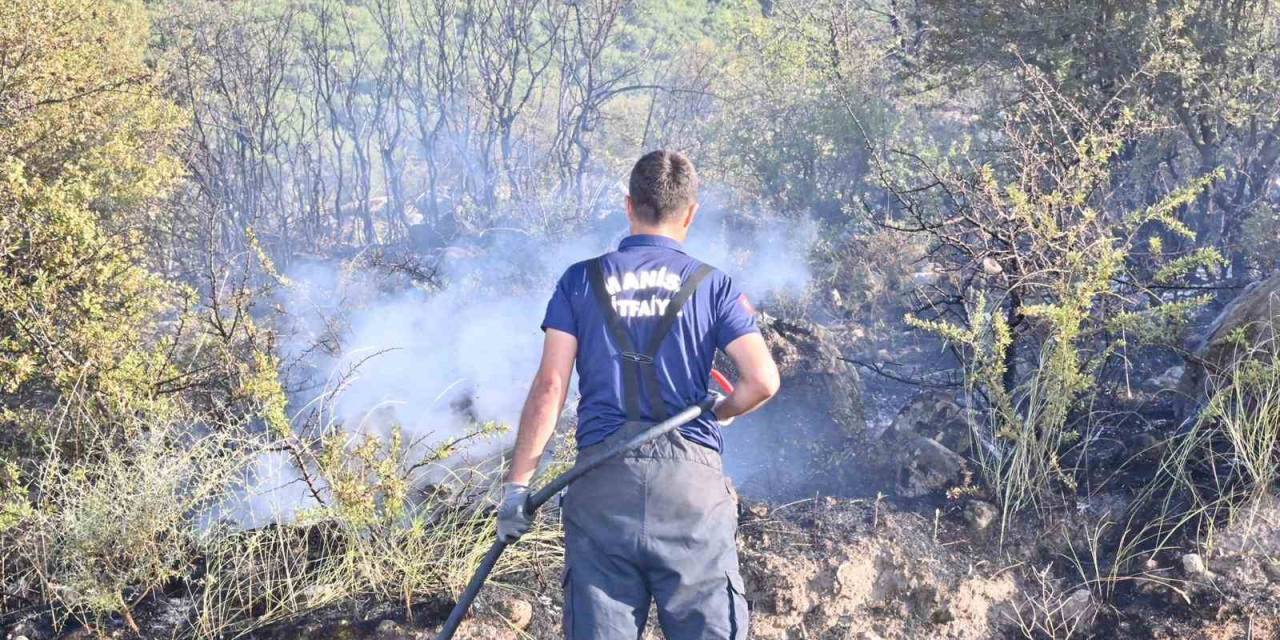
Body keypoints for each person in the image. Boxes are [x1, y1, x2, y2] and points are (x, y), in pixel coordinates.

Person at [497, 149, 780, 639]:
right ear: (690, 213)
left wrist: (517, 488)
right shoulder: (713, 285)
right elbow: (763, 380)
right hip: (690, 495)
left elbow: (550, 386)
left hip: (602, 490)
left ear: (628, 205)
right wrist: (720, 411)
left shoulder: (580, 280)